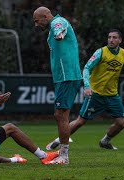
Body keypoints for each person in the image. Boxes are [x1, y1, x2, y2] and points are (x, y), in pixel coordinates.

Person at [46, 29, 124, 151]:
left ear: (120, 40)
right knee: (80, 122)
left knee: (121, 123)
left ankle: (105, 141)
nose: (111, 40)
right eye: (109, 37)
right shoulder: (101, 52)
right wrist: (87, 86)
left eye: (114, 37)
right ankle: (59, 139)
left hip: (112, 95)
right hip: (96, 94)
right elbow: (87, 68)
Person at [33, 6, 82, 164]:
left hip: (67, 76)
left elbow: (58, 28)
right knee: (61, 115)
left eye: (37, 21)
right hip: (64, 76)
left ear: (46, 16)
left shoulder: (58, 22)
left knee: (60, 115)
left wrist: (59, 33)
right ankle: (62, 152)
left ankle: (64, 156)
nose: (36, 24)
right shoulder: (53, 26)